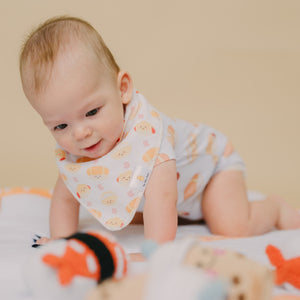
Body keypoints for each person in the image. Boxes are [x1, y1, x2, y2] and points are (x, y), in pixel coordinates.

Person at [19, 16, 300, 245]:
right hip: (182, 195)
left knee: (232, 227)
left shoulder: (151, 142)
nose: (80, 133)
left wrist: (152, 251)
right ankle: (191, 214)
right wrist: (61, 241)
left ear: (123, 89)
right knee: (133, 212)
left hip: (212, 170)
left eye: (92, 112)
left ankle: (274, 208)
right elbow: (67, 197)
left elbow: (163, 199)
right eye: (61, 126)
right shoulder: (78, 152)